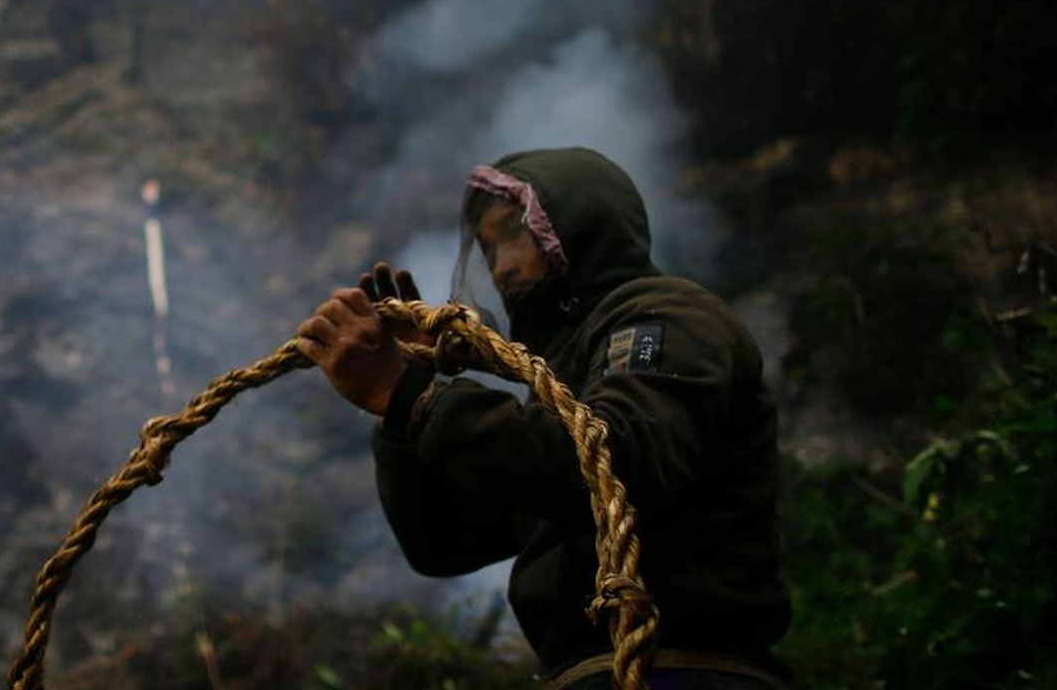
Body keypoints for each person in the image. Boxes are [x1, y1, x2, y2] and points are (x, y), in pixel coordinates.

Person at [295, 147, 792, 689]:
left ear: (578, 223)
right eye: (488, 248)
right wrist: (400, 416)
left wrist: (410, 396)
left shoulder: (662, 316)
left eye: (515, 233)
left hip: (681, 670)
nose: (502, 264)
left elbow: (616, 464)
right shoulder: (561, 380)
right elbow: (444, 542)